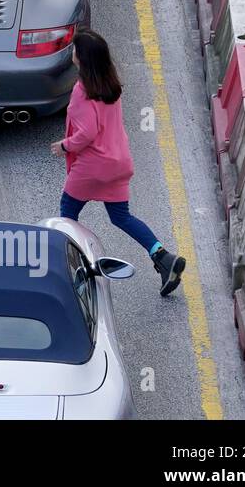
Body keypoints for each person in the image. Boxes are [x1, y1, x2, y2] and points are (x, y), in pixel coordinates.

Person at [50, 27, 187, 296]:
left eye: (75, 49)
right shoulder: (112, 86)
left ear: (82, 59)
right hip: (119, 162)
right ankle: (162, 256)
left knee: (67, 214)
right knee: (121, 216)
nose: (73, 53)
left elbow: (87, 133)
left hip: (92, 167)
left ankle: (67, 269)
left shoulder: (82, 91)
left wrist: (64, 145)